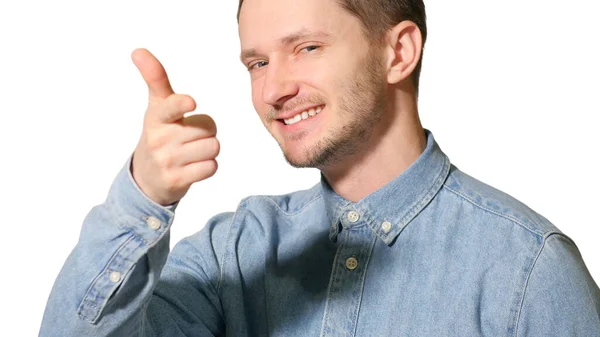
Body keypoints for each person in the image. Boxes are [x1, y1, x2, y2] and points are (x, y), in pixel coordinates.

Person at [40, 0, 600, 335]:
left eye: (306, 47)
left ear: (398, 53)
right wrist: (142, 197)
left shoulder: (529, 269)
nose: (273, 88)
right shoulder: (234, 250)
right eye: (256, 62)